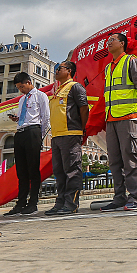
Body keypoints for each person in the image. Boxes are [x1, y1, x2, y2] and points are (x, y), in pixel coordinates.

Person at [99, 33, 137, 212]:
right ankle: (119, 197)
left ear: (122, 43)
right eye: (108, 41)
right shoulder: (108, 68)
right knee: (115, 162)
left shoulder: (131, 61)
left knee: (130, 159)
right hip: (111, 119)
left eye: (112, 40)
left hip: (128, 117)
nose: (109, 43)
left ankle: (135, 198)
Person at [44, 61, 90, 215]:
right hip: (57, 136)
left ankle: (71, 204)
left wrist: (80, 128)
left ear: (69, 71)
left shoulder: (75, 87)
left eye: (59, 69)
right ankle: (60, 202)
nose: (56, 71)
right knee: (59, 171)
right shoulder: (57, 90)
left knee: (72, 170)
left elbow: (84, 108)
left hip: (71, 134)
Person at [4, 72, 50, 216]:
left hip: (33, 132)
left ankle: (33, 202)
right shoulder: (22, 100)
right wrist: (17, 119)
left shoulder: (41, 96)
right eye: (18, 87)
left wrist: (40, 137)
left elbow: (45, 118)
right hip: (20, 132)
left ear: (29, 82)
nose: (21, 90)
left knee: (33, 169)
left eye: (22, 86)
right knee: (21, 170)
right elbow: (25, 117)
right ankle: (21, 203)